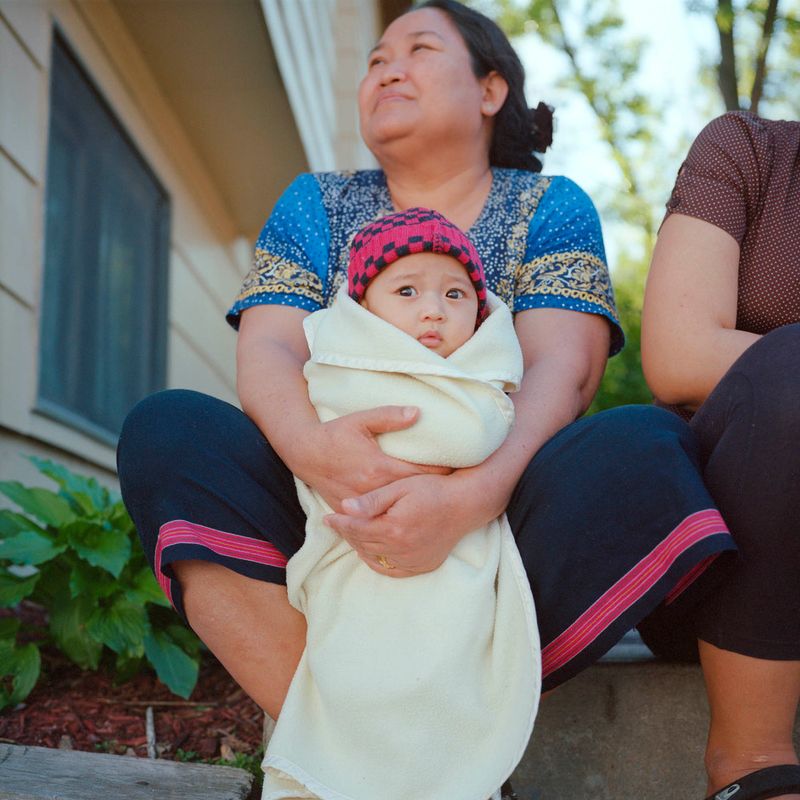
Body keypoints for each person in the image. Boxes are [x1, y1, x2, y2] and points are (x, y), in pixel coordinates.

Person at [117, 0, 734, 794]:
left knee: (647, 448)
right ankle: (396, 770)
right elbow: (268, 345)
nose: (387, 69)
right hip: (328, 509)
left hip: (501, 519)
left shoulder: (550, 207)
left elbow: (564, 372)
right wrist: (321, 454)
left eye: (417, 49)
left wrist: (471, 494)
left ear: (489, 90)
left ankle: (407, 751)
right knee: (169, 429)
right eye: (375, 59)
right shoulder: (318, 201)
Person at [264, 206, 538, 800]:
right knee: (360, 662)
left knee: (446, 659)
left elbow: (481, 426)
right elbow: (465, 435)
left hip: (451, 547)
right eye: (407, 290)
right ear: (364, 309)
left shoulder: (481, 377)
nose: (433, 309)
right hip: (352, 549)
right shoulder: (341, 365)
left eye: (456, 293)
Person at [641, 110, 800, 800]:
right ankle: (750, 765)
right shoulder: (750, 151)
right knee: (790, 364)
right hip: (722, 564)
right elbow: (676, 354)